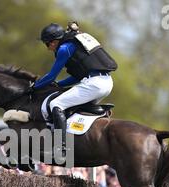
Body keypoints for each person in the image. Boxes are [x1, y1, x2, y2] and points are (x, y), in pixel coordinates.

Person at [32, 21, 117, 156]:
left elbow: (51, 76)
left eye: (47, 44)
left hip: (94, 84)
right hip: (107, 82)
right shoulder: (74, 44)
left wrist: (34, 87)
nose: (48, 48)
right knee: (74, 108)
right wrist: (59, 85)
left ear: (54, 41)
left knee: (56, 104)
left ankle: (61, 148)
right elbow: (77, 77)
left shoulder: (64, 49)